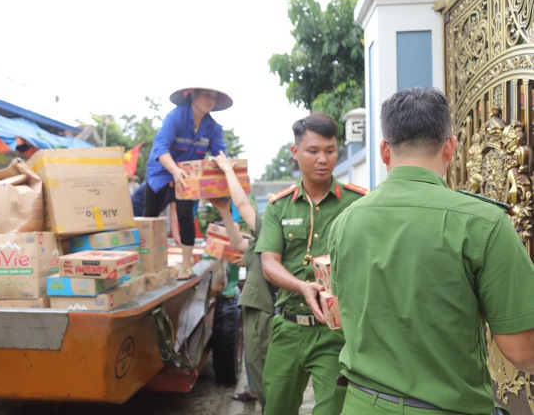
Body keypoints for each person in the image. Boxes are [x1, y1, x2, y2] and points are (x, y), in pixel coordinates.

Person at [328, 87, 534, 415]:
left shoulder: (344, 222)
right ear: (450, 147)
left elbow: (341, 311)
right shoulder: (483, 222)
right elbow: (522, 349)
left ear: (384, 150)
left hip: (360, 404)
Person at [255, 113, 367, 415]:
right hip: (289, 328)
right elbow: (269, 263)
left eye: (330, 151)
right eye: (313, 151)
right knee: (276, 408)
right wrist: (301, 286)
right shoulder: (280, 205)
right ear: (295, 153)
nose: (323, 159)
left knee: (331, 411)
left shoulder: (357, 203)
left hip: (335, 332)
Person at [144, 86, 232, 280]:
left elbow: (220, 154)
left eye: (214, 97)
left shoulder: (213, 128)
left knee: (185, 214)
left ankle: (186, 264)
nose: (210, 100)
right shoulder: (175, 117)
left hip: (188, 175)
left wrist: (226, 172)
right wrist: (174, 170)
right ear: (192, 95)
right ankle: (146, 263)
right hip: (161, 171)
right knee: (149, 215)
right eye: (206, 95)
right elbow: (160, 148)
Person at [210, 151, 275, 410]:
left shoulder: (270, 229)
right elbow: (238, 243)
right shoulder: (262, 238)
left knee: (263, 371)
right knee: (257, 367)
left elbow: (244, 205)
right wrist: (224, 212)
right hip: (254, 308)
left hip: (263, 310)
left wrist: (227, 170)